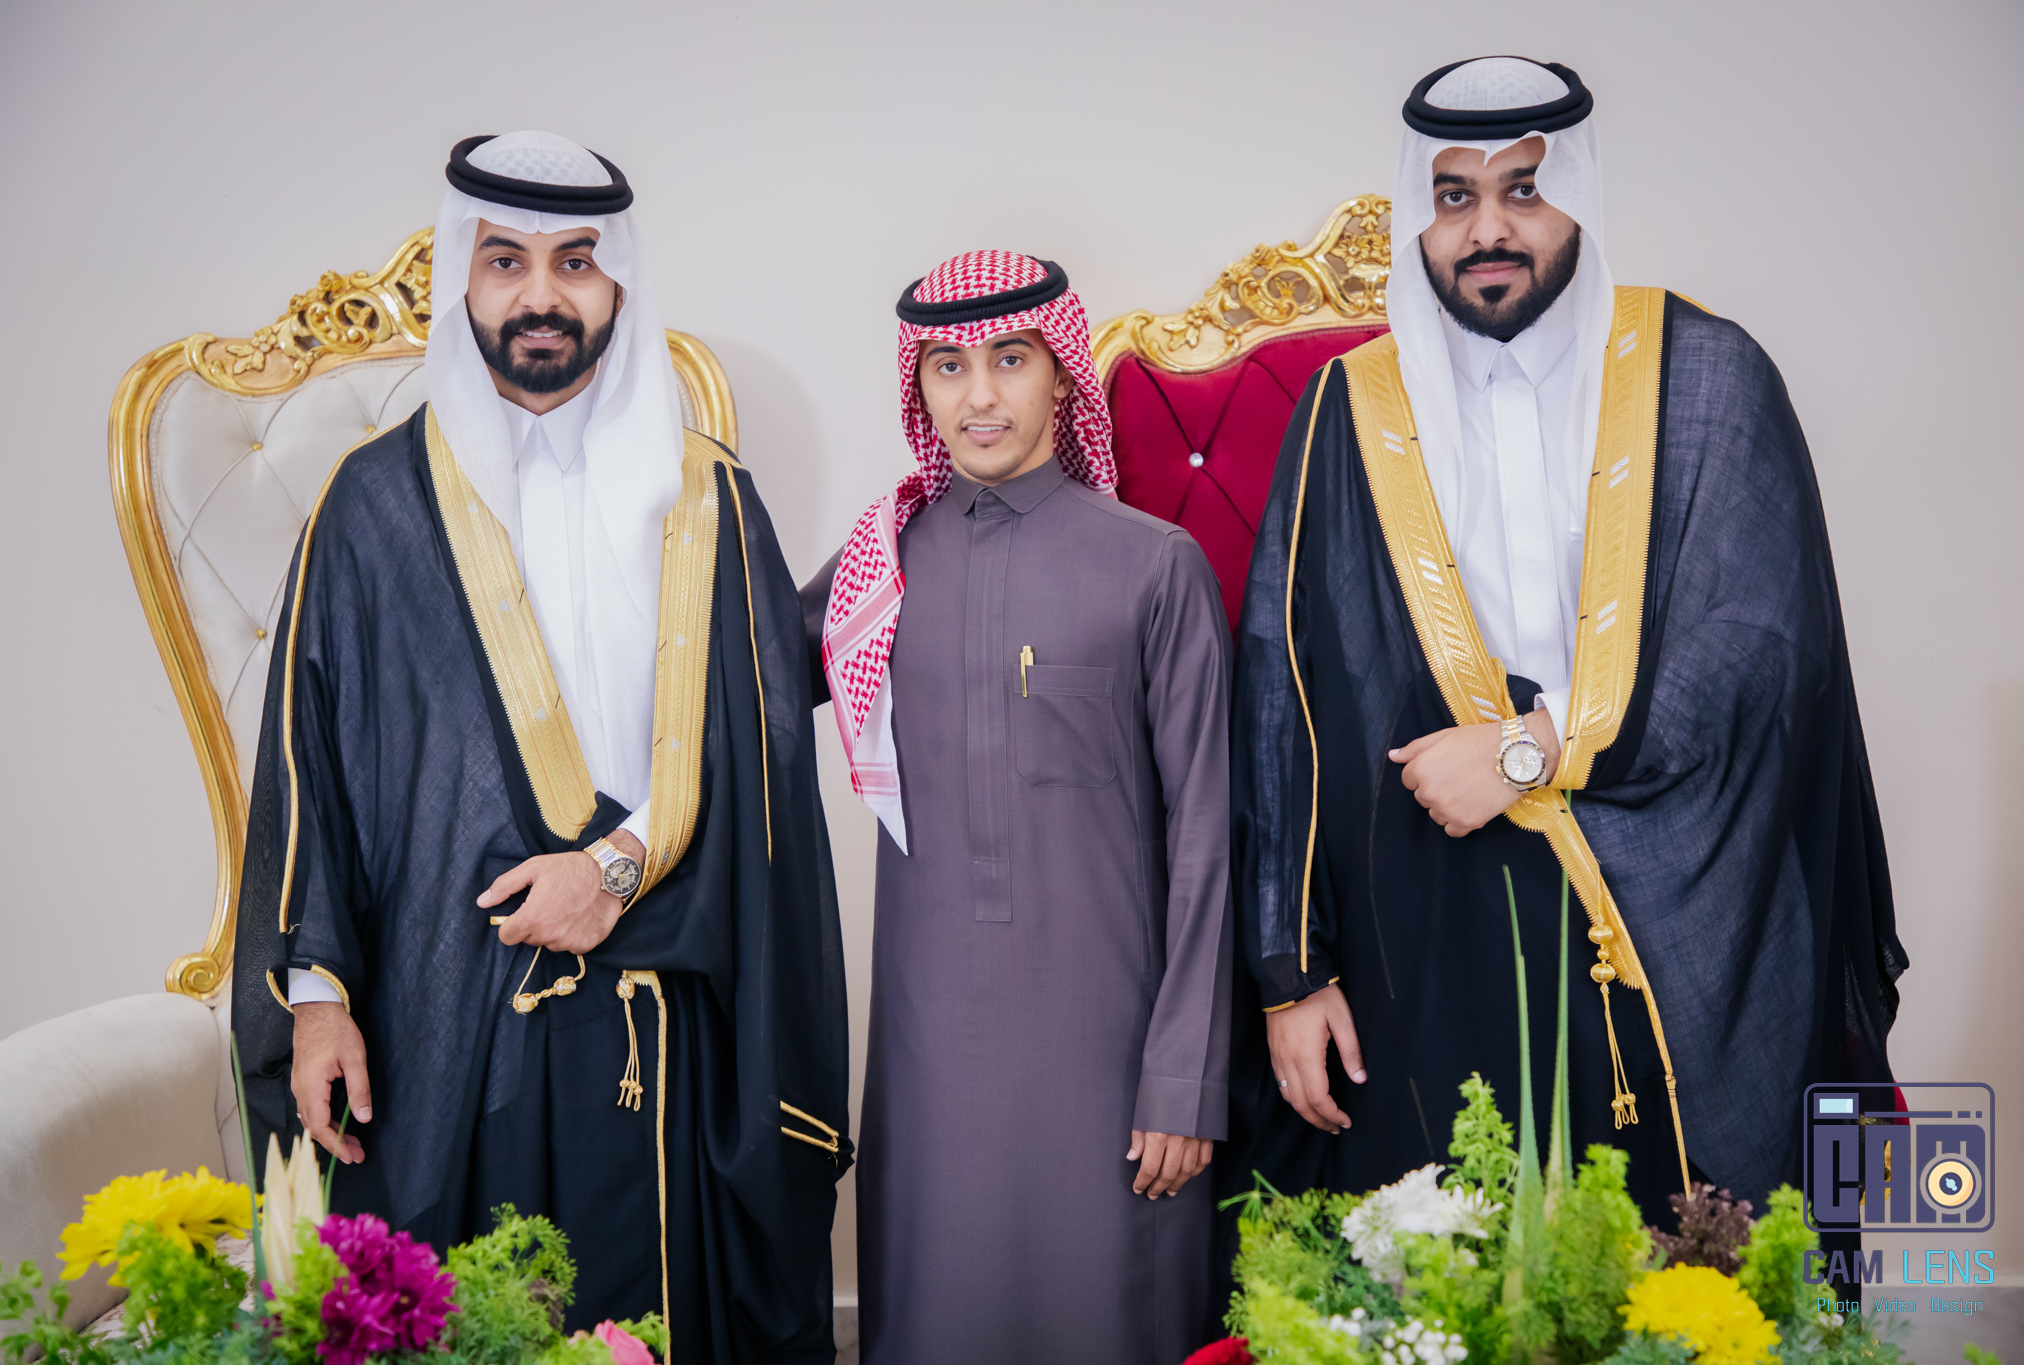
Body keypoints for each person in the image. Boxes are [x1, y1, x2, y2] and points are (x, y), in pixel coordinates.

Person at [1225, 58, 1907, 1232]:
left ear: (1577, 194)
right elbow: (1279, 696)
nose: (1486, 230)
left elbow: (1759, 650)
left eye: (1523, 190)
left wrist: (1530, 751)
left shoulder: (1705, 375)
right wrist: (1293, 976)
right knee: (1445, 1258)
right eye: (1452, 196)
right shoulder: (1350, 407)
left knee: (1686, 1260)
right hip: (1424, 908)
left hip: (1673, 875)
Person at [231, 132, 850, 1360]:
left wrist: (611, 871)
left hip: (668, 1023)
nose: (541, 295)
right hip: (443, 1024)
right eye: (504, 260)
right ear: (461, 278)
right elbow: (310, 771)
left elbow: (762, 754)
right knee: (473, 1314)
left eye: (575, 261)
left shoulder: (707, 499)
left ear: (619, 282)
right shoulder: (372, 506)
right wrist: (318, 1004)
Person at [800, 251, 1232, 1362]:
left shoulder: (1154, 564)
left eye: (1008, 359)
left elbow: (1206, 840)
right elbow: (727, 679)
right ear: (917, 385)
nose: (978, 395)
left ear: (1060, 373)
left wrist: (1183, 1079)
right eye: (947, 366)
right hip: (928, 1052)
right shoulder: (879, 564)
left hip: (1112, 1055)